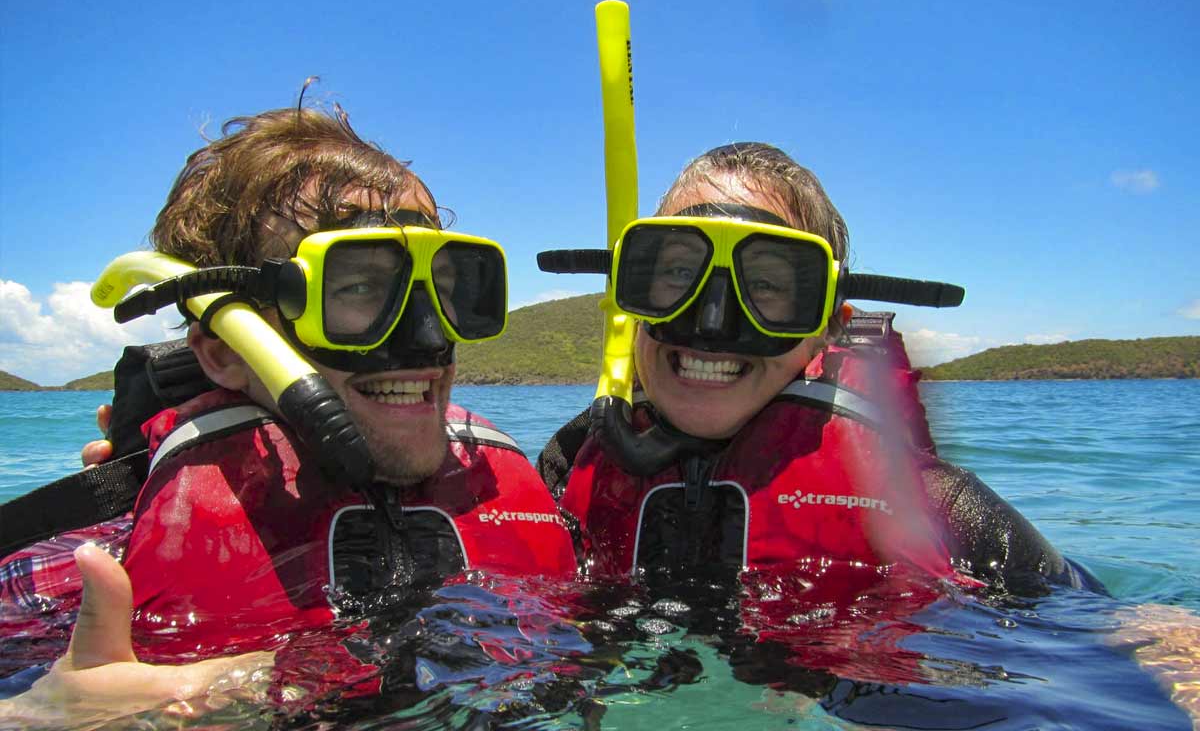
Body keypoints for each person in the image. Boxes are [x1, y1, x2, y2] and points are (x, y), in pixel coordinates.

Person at [0, 100, 577, 720]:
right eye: (356, 287)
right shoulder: (79, 578)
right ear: (224, 350)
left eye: (449, 285)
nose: (430, 338)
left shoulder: (522, 496)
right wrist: (42, 712)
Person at [537, 141, 1101, 593]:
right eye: (678, 274)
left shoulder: (930, 507)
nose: (710, 324)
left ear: (828, 324)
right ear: (628, 295)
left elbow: (1116, 636)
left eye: (765, 286)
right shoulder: (565, 477)